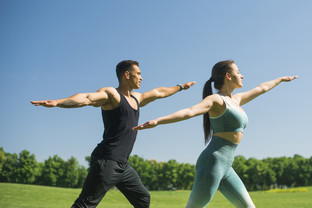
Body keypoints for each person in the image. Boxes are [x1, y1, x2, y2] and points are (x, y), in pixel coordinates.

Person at [30, 60, 195, 208]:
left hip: (123, 166)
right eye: (138, 74)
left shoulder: (137, 98)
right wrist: (58, 102)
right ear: (126, 74)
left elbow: (159, 92)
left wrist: (181, 87)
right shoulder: (112, 95)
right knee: (85, 204)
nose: (141, 77)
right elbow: (87, 98)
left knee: (143, 199)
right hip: (107, 161)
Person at [133, 60, 298, 208]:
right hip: (212, 163)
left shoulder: (236, 100)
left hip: (226, 166)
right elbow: (189, 112)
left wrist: (280, 80)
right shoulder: (216, 100)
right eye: (238, 72)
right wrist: (158, 121)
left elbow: (261, 88)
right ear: (228, 76)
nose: (242, 75)